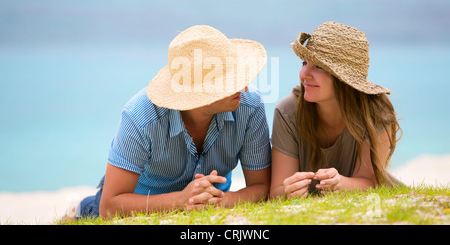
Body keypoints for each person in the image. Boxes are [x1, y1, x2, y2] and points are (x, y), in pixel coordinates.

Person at [69, 25, 271, 220]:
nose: (244, 87)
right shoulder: (141, 117)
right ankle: (79, 209)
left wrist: (223, 201)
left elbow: (262, 186)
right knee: (92, 209)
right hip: (137, 202)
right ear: (198, 94)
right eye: (230, 81)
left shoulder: (249, 107)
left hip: (209, 201)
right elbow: (109, 207)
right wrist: (182, 201)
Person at [270, 21, 401, 199]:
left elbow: (370, 182)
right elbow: (276, 192)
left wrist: (341, 184)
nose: (304, 75)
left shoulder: (376, 114)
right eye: (304, 63)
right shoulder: (287, 112)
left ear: (344, 79)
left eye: (319, 66)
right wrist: (287, 191)